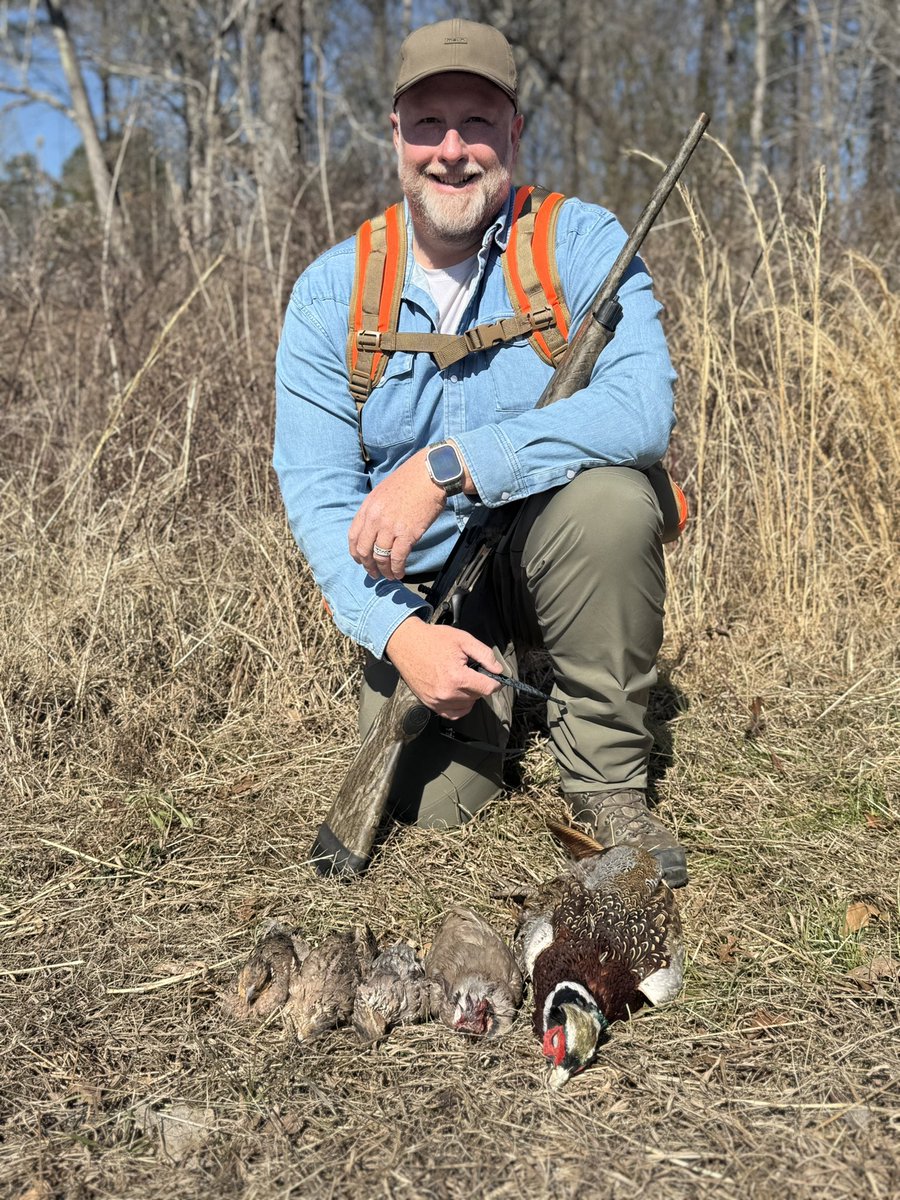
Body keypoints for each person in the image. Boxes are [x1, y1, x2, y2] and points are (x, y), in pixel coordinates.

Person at [274, 18, 688, 887]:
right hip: (429, 596)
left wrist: (450, 463)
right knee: (437, 804)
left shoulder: (581, 244)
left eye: (478, 123)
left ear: (515, 134)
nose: (452, 150)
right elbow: (316, 498)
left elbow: (642, 411)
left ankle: (608, 781)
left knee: (614, 497)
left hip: (557, 553)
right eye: (428, 124)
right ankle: (506, 693)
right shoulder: (329, 294)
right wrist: (401, 634)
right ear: (395, 134)